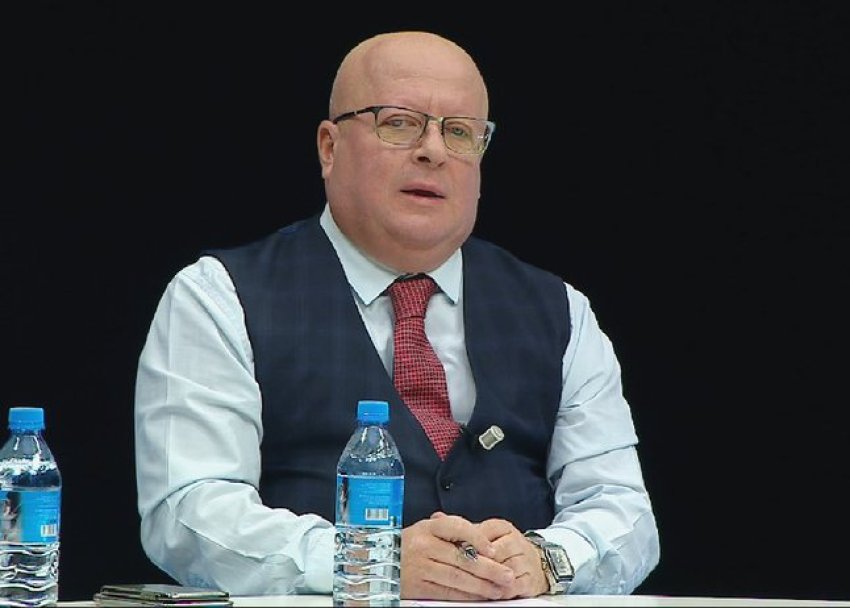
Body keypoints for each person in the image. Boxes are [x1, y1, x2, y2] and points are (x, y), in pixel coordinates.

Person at [134, 30, 660, 601]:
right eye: (400, 123)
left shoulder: (559, 309)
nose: (434, 151)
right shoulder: (219, 296)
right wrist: (365, 561)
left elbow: (623, 510)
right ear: (329, 147)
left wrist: (547, 560)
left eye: (459, 132)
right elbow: (188, 510)